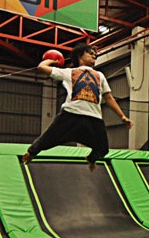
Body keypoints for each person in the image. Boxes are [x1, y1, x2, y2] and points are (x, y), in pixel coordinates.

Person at [22, 43, 133, 171]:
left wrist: (122, 116)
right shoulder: (69, 72)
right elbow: (41, 67)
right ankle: (31, 153)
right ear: (80, 55)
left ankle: (91, 159)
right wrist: (52, 59)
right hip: (70, 115)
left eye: (95, 55)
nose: (94, 56)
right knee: (47, 139)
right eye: (90, 53)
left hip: (94, 118)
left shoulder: (100, 76)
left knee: (103, 149)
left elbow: (109, 98)